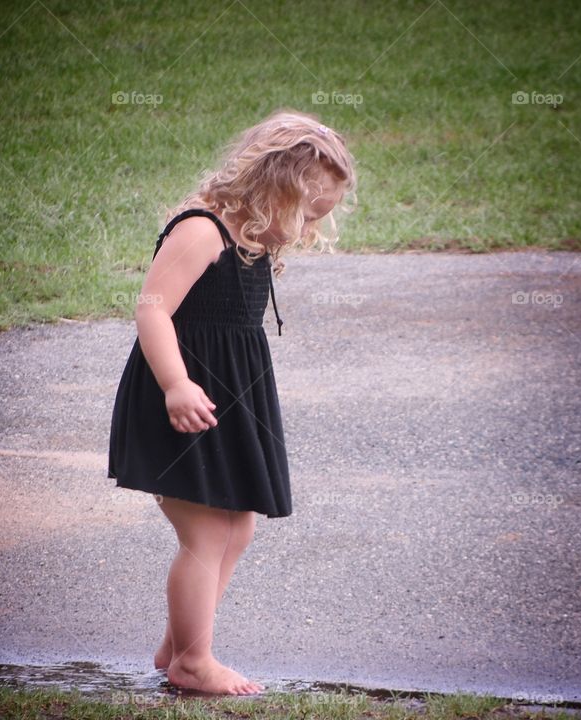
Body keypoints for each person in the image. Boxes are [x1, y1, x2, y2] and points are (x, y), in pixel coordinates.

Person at [107, 108, 357, 695]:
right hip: (181, 396)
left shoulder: (251, 234)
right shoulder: (201, 230)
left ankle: (180, 643)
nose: (303, 229)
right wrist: (175, 384)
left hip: (228, 397)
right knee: (206, 534)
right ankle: (194, 662)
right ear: (274, 187)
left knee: (237, 525)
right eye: (305, 213)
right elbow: (151, 310)